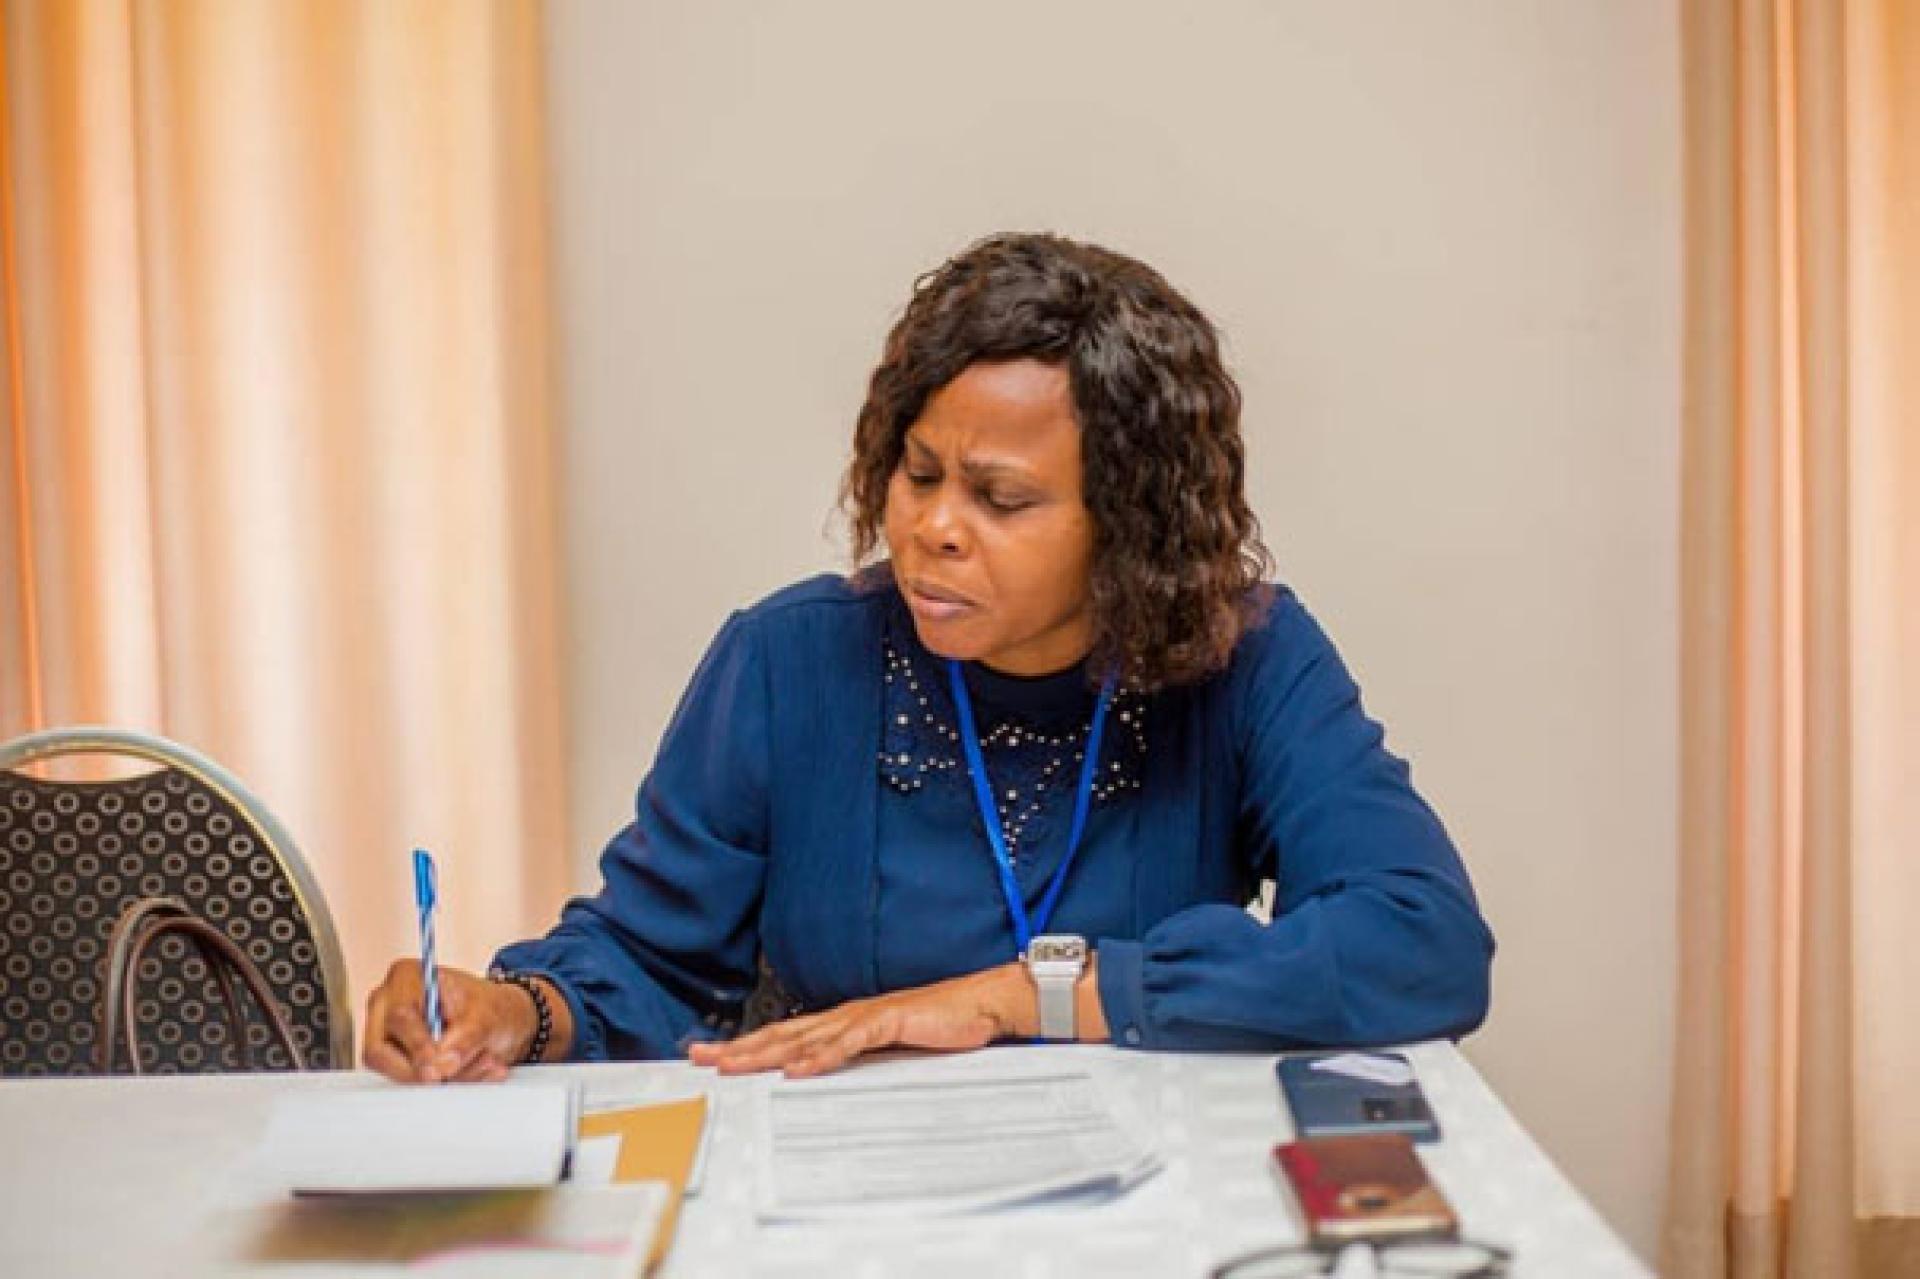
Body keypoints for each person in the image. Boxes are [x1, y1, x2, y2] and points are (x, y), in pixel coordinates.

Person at [362, 232, 1495, 1085]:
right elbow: (649, 961)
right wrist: (518, 1012)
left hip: (1145, 1208)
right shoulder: (787, 661)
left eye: (1001, 498)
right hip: (835, 1216)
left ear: (1131, 529)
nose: (933, 527)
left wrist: (1025, 996)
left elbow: (1424, 943)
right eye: (917, 474)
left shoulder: (1245, 658)